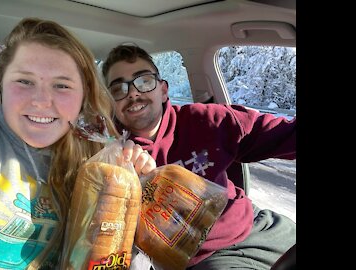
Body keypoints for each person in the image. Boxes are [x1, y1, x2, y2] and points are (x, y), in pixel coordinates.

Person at [0, 18, 155, 270]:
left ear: (83, 97)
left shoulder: (94, 168)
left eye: (62, 85)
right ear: (0, 85)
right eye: (25, 81)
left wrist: (133, 198)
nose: (41, 100)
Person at [101, 44, 296, 270]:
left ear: (163, 90)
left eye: (144, 81)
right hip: (204, 259)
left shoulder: (208, 121)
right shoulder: (110, 156)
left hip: (259, 225)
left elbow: (283, 135)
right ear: (109, 102)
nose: (133, 93)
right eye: (118, 89)